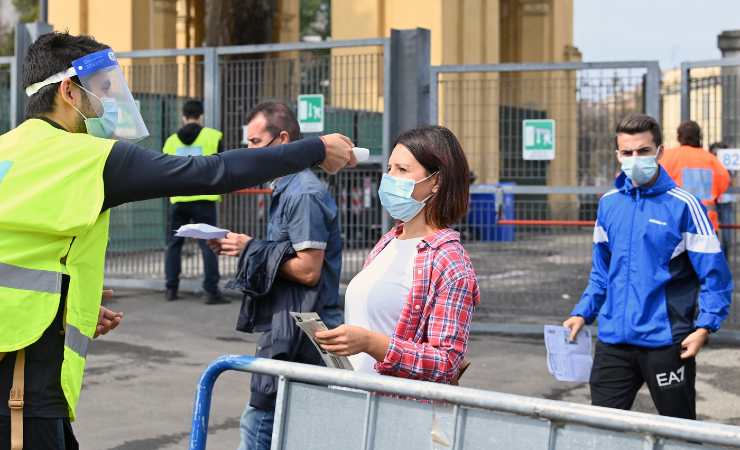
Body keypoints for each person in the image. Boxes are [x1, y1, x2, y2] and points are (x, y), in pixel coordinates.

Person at [0, 32, 355, 450]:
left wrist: (64, 306)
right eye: (100, 90)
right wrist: (312, 148)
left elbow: (23, 251)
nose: (107, 103)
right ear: (67, 90)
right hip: (24, 378)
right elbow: (210, 172)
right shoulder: (87, 158)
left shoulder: (8, 150)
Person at [563, 114, 733, 420]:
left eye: (643, 151)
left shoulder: (684, 205)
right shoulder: (609, 204)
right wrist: (582, 312)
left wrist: (705, 327)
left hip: (666, 343)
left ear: (660, 152)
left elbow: (715, 276)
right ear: (617, 154)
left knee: (679, 433)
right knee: (601, 432)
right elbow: (602, 271)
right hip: (613, 340)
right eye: (627, 153)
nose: (635, 159)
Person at [208, 101, 343, 450]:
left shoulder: (304, 193)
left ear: (282, 140)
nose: (250, 152)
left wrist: (250, 247)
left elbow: (309, 270)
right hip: (286, 329)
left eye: (255, 143)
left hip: (300, 336)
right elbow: (281, 255)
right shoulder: (287, 189)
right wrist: (243, 248)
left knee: (259, 426)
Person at [314, 125, 480, 384]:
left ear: (436, 181)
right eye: (389, 169)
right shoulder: (389, 241)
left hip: (399, 411)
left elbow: (446, 362)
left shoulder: (449, 261)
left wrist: (371, 343)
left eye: (402, 170)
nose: (389, 178)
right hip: (356, 400)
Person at [163, 99, 227, 304]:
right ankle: (211, 292)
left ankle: (170, 289)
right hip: (204, 198)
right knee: (208, 245)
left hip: (179, 198)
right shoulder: (213, 136)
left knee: (174, 245)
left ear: (183, 116)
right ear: (201, 116)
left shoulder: (171, 141)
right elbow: (223, 165)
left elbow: (163, 170)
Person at [661, 120, 731, 232]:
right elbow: (724, 181)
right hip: (706, 223)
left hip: (675, 221)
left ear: (679, 137)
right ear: (699, 137)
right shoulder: (710, 159)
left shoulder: (667, 157)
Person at [709, 142, 735, 261]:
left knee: (727, 236)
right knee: (711, 233)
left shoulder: (729, 166)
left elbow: (732, 178)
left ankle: (724, 261)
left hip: (725, 201)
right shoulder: (708, 162)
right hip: (711, 201)